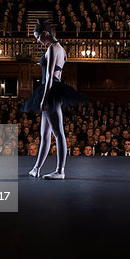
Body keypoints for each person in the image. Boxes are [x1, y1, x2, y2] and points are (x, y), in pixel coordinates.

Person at [20, 19, 89, 179]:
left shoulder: (52, 49)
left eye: (38, 37)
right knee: (44, 134)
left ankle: (60, 171)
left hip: (50, 90)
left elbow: (51, 75)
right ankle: (37, 168)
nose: (37, 40)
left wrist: (44, 99)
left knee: (58, 134)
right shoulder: (62, 50)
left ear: (45, 33)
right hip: (53, 89)